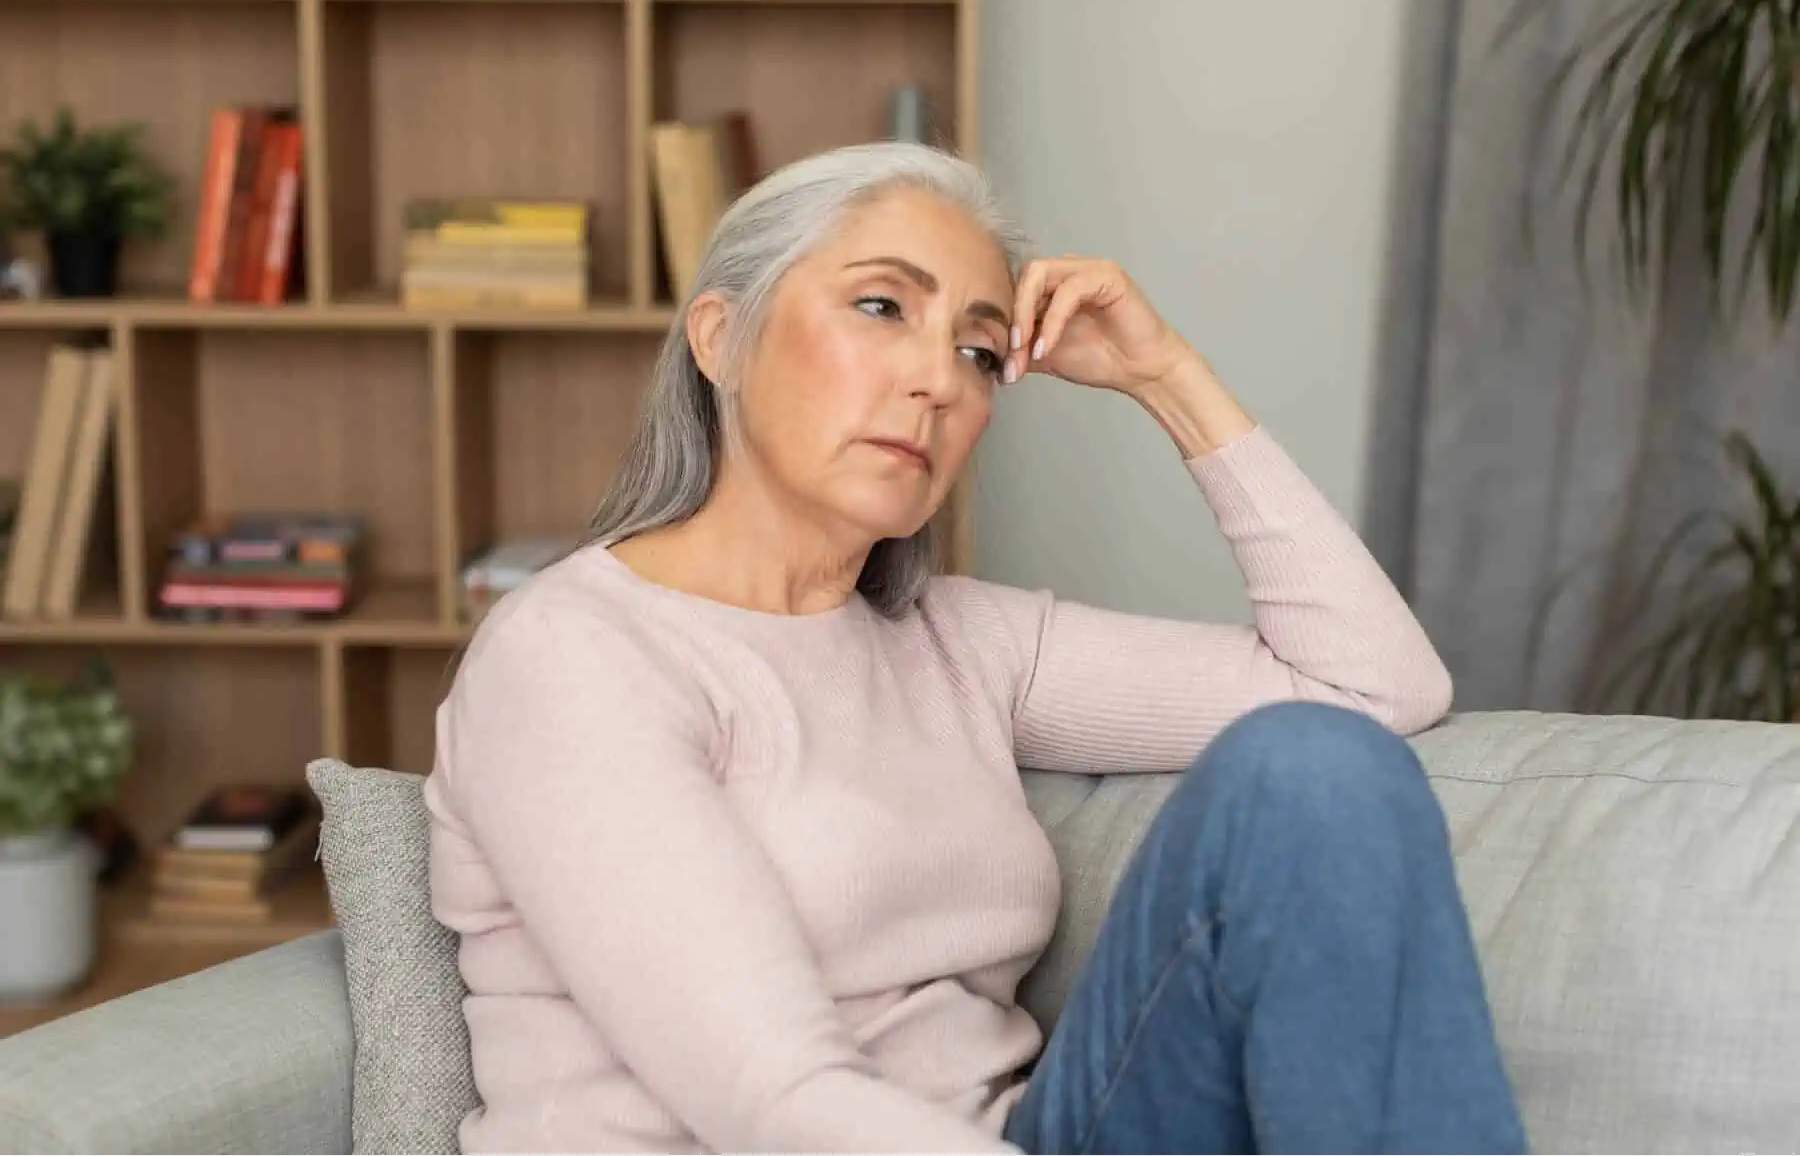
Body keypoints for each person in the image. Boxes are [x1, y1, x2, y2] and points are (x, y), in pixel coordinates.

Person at [422, 141, 1528, 1155]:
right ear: (722, 337)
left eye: (980, 351)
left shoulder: (961, 642)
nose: (938, 379)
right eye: (879, 306)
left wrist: (1166, 378)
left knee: (1309, 772)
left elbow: (1374, 687)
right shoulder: (574, 654)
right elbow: (776, 1100)